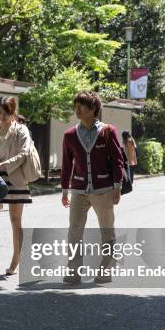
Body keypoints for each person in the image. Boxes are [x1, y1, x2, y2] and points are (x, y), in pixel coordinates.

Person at [61, 90, 124, 284]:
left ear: (93, 109)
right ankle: (73, 272)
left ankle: (105, 271)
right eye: (76, 105)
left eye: (81, 106)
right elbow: (66, 164)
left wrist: (117, 186)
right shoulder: (70, 135)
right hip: (79, 190)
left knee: (107, 231)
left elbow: (117, 160)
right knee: (74, 232)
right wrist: (65, 190)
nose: (77, 109)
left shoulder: (107, 131)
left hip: (104, 189)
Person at [0, 96, 33, 276]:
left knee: (15, 220)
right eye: (0, 112)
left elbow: (24, 152)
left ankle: (16, 259)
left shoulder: (21, 130)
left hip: (15, 178)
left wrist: (4, 164)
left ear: (13, 112)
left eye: (7, 113)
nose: (2, 116)